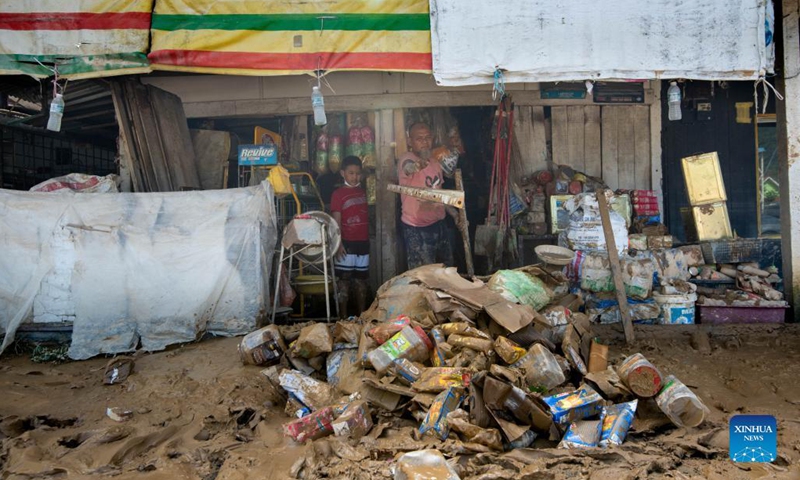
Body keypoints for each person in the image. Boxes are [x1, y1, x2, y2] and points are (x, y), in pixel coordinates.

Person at [398, 122, 459, 270]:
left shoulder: (435, 161)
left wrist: (454, 214)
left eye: (428, 137)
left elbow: (438, 192)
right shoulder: (407, 158)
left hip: (439, 224)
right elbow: (408, 167)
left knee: (446, 271)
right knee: (424, 276)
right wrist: (417, 166)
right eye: (419, 138)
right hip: (417, 228)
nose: (425, 141)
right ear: (410, 142)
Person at [330, 156, 369, 317]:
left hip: (363, 243)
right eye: (351, 173)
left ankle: (362, 316)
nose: (355, 177)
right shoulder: (338, 194)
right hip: (346, 243)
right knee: (343, 282)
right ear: (342, 173)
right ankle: (343, 318)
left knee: (361, 281)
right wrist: (338, 244)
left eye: (358, 173)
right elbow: (336, 221)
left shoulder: (365, 192)